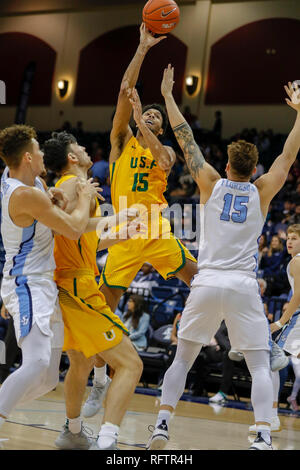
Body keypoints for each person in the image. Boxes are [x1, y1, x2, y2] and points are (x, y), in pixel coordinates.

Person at [146, 70, 300, 450]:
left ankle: (162, 424)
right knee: (260, 366)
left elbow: (187, 141)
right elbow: (289, 155)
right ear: (254, 169)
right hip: (243, 285)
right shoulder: (263, 190)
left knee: (182, 359)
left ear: (228, 165)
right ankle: (263, 434)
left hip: (207, 280)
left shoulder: (210, 182)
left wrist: (167, 97)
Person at [84, 24, 198, 416]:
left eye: (155, 116)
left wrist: (141, 118)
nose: (149, 116)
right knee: (101, 304)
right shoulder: (120, 142)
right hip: (122, 234)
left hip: (155, 229)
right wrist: (142, 48)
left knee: (201, 278)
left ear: (160, 127)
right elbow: (124, 89)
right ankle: (99, 379)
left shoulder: (161, 149)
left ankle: (233, 335)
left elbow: (165, 159)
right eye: (145, 114)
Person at [43, 131, 144, 450]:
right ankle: (108, 440)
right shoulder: (72, 184)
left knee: (82, 363)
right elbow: (71, 228)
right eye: (79, 147)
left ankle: (72, 431)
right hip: (77, 286)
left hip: (71, 282)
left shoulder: (71, 188)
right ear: (71, 158)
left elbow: (84, 238)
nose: (85, 149)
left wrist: (121, 234)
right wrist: (116, 217)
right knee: (131, 364)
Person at [0, 124, 100, 435]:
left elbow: (48, 208)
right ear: (28, 158)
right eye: (38, 150)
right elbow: (71, 229)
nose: (44, 154)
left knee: (48, 379)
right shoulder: (25, 194)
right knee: (35, 364)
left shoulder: (30, 183)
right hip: (27, 282)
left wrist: (53, 195)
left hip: (43, 284)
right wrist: (83, 197)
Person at [266, 224, 300, 425]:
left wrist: (279, 322)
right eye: (288, 237)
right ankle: (272, 416)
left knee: (274, 362)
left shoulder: (296, 261)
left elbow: (298, 295)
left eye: (294, 238)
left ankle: (271, 417)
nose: (289, 241)